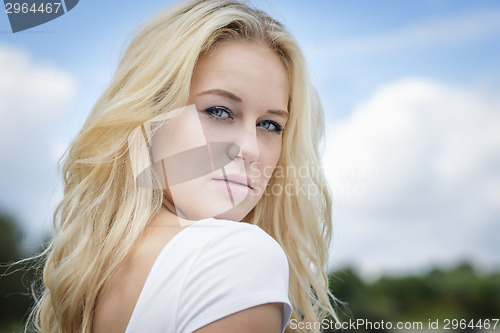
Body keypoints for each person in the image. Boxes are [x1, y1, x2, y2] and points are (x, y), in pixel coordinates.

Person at [28, 0, 337, 332]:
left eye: (270, 125)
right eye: (219, 111)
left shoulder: (93, 280)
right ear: (149, 117)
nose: (249, 149)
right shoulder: (238, 256)